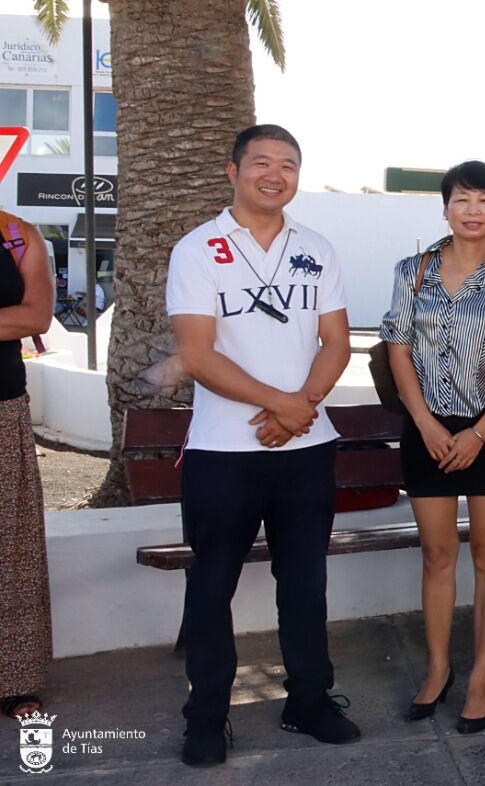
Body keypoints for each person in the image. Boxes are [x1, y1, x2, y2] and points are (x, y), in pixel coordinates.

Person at [166, 125, 357, 768]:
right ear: (233, 171)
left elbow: (337, 342)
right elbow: (196, 354)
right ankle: (207, 716)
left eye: (289, 164)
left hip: (306, 448)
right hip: (224, 450)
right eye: (262, 163)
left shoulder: (318, 248)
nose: (275, 174)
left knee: (304, 583)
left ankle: (308, 700)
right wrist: (284, 405)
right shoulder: (199, 249)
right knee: (212, 583)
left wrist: (300, 410)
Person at [380, 161, 485, 733]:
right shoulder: (412, 271)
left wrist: (478, 432)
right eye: (461, 199)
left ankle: (481, 678)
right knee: (437, 555)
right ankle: (439, 669)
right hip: (427, 430)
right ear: (444, 206)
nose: (473, 209)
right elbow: (397, 346)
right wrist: (425, 423)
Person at [0, 206, 55, 721]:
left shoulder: (15, 234)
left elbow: (35, 316)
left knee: (10, 549)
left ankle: (14, 679)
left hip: (1, 407)